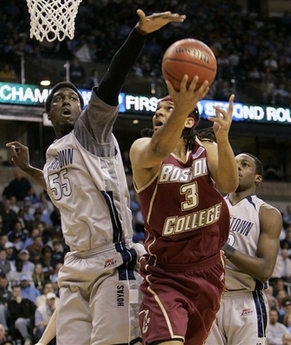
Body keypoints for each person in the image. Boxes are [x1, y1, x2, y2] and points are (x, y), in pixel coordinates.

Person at [6, 9, 186, 345]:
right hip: (75, 266)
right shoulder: (52, 156)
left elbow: (113, 79)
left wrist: (139, 33)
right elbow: (61, 192)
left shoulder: (91, 129)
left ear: (81, 108)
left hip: (112, 258)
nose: (66, 102)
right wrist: (29, 169)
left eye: (73, 98)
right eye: (58, 99)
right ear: (48, 115)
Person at [129, 74, 239, 343]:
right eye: (157, 111)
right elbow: (158, 148)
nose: (159, 113)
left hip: (210, 268)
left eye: (168, 108)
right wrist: (180, 107)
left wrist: (223, 139)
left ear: (190, 121)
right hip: (167, 273)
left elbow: (229, 183)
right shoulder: (142, 149)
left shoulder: (207, 148)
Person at [206, 153, 282, 345]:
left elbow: (265, 271)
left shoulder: (267, 213)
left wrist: (224, 248)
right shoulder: (211, 207)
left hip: (246, 301)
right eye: (234, 163)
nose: (237, 167)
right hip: (210, 299)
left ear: (258, 178)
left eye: (245, 165)